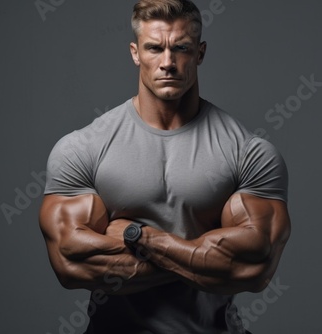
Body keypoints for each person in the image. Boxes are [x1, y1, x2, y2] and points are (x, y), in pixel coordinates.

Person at [39, 0, 291, 333]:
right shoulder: (81, 149)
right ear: (135, 53)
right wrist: (201, 253)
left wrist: (139, 236)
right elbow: (71, 266)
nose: (168, 63)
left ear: (200, 53)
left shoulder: (250, 154)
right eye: (155, 48)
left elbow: (254, 269)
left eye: (181, 48)